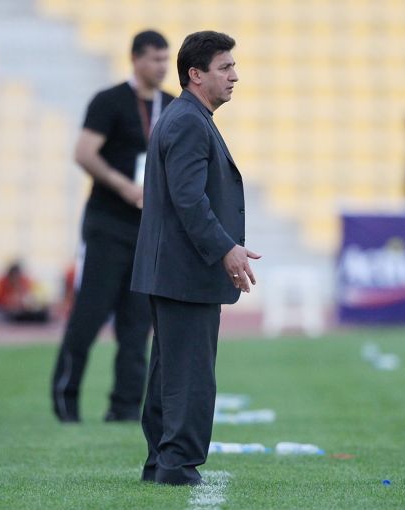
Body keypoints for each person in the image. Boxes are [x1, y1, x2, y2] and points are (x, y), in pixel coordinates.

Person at [131, 30, 260, 486]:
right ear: (196, 74)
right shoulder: (188, 121)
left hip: (174, 269)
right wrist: (226, 248)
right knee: (189, 372)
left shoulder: (185, 116)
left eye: (233, 66)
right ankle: (177, 464)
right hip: (185, 270)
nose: (234, 76)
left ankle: (161, 461)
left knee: (171, 370)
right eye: (225, 67)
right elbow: (188, 199)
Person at [51, 30, 174, 423]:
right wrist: (123, 186)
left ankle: (124, 408)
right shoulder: (109, 101)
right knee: (89, 315)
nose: (162, 66)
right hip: (107, 225)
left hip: (147, 231)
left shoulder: (172, 106)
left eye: (165, 59)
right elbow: (84, 153)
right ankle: (66, 401)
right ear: (135, 58)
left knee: (138, 323)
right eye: (155, 58)